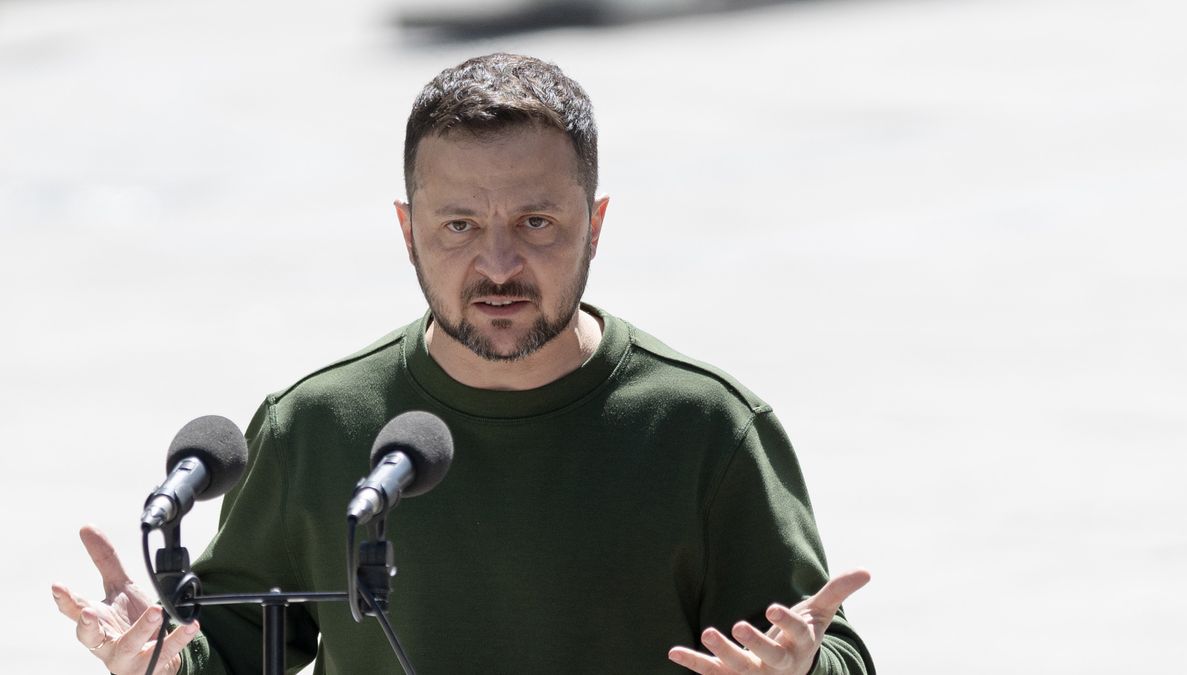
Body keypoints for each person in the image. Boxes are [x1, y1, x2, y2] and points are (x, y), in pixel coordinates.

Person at [51, 53, 874, 675]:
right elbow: (228, 651)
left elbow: (818, 647)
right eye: (459, 226)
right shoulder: (314, 425)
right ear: (407, 231)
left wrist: (802, 669)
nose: (499, 264)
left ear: (595, 224)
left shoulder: (706, 428)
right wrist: (159, 657)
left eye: (537, 222)